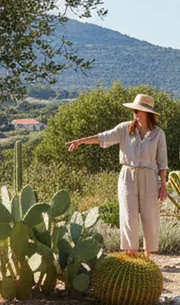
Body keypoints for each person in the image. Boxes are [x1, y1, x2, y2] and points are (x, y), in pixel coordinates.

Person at [65, 93, 168, 255]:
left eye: (138, 109)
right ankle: (131, 254)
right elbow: (103, 137)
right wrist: (81, 141)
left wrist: (163, 185)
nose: (134, 111)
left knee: (150, 217)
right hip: (128, 175)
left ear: (147, 112)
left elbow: (162, 162)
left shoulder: (158, 134)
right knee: (128, 216)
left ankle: (148, 255)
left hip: (149, 176)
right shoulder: (124, 129)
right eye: (134, 108)